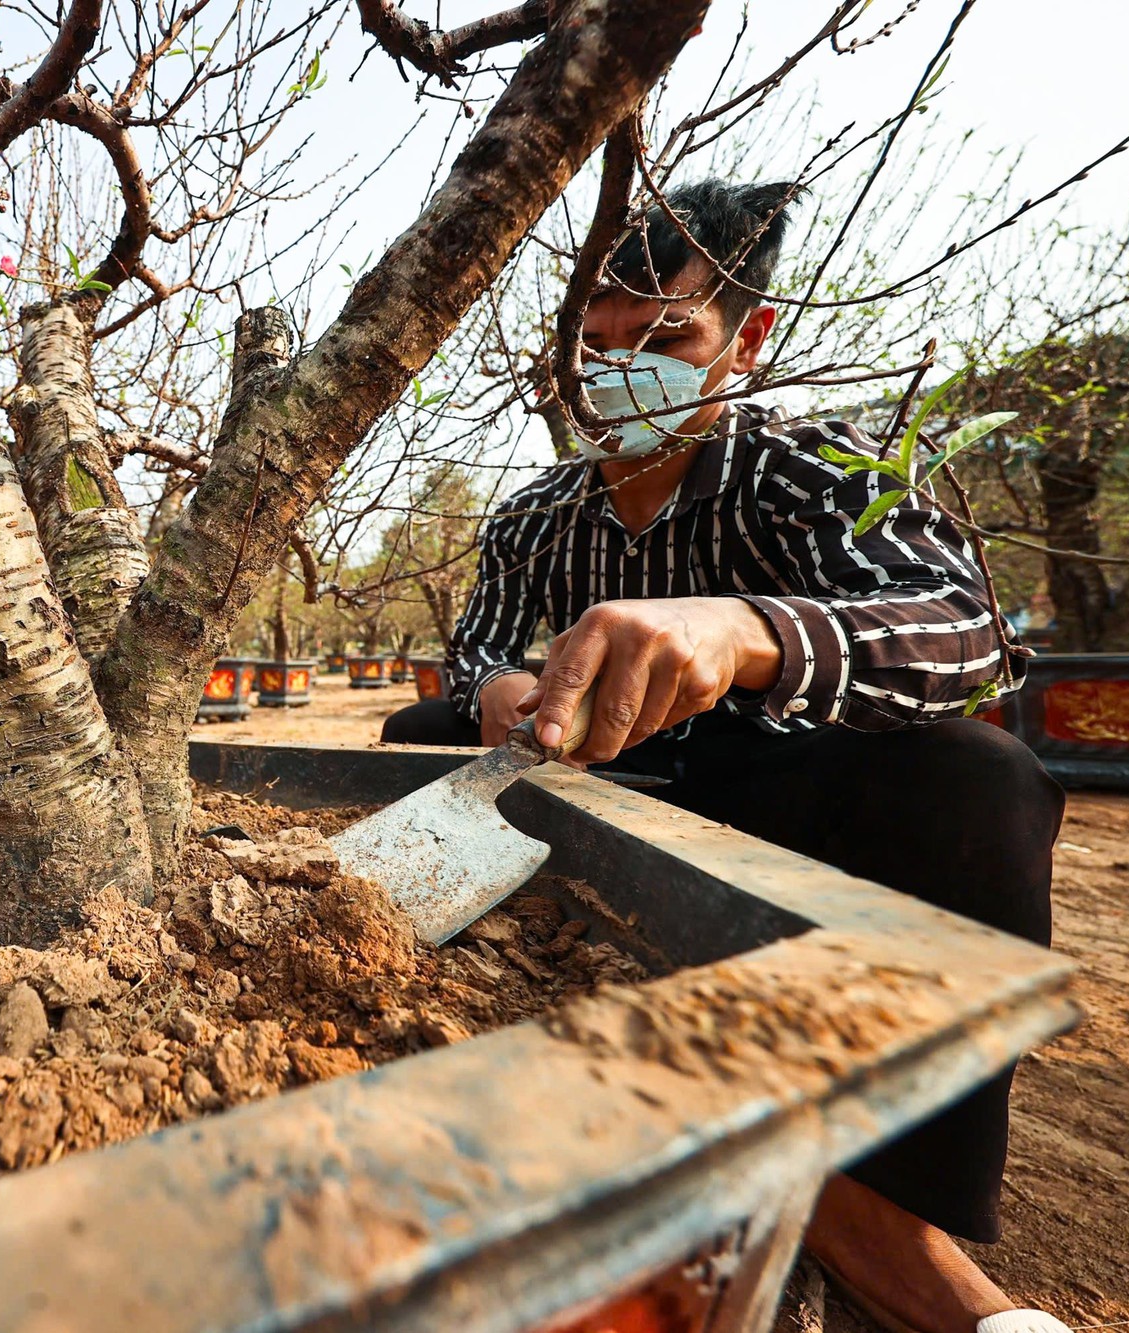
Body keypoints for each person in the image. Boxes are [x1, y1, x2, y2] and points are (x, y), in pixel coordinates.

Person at [380, 180, 1066, 1333]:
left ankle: (891, 1211)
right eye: (590, 346)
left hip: (773, 799)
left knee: (979, 780)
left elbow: (966, 634)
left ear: (742, 341)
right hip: (593, 797)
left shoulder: (813, 476)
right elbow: (478, 650)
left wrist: (747, 633)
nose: (616, 374)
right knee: (408, 741)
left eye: (661, 339)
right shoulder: (531, 521)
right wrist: (494, 689)